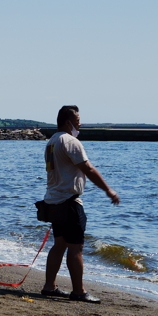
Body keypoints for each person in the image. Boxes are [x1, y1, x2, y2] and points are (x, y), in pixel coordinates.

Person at [41, 105, 119, 303]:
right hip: (69, 201)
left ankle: (49, 286)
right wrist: (108, 190)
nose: (80, 123)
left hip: (53, 200)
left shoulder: (51, 141)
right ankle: (78, 291)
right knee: (75, 248)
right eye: (77, 120)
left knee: (59, 245)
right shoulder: (70, 141)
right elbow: (88, 169)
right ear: (68, 122)